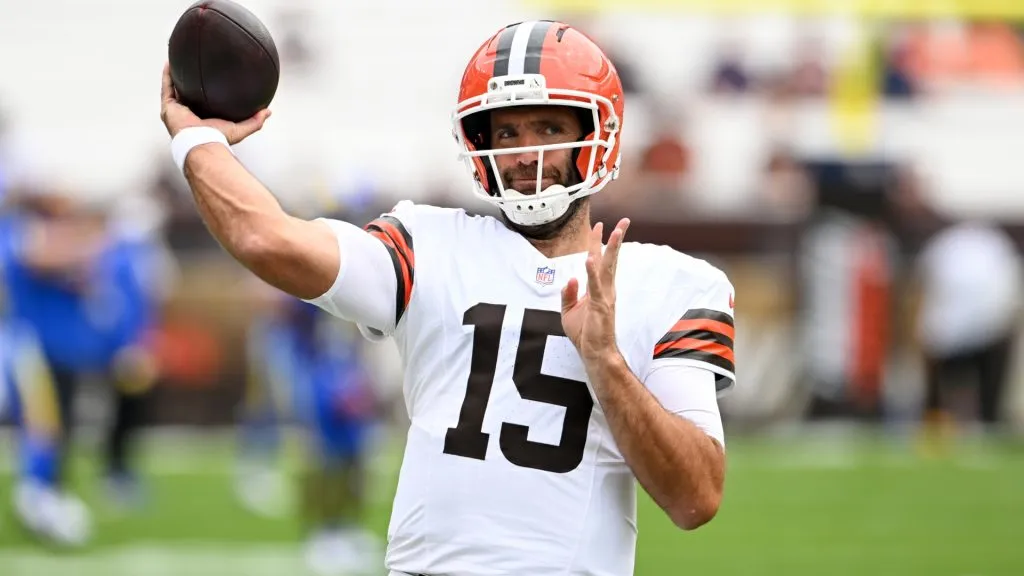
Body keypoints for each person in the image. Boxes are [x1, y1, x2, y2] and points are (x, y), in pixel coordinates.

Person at [160, 20, 734, 576]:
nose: (525, 154)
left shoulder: (673, 285)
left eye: (548, 129)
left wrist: (606, 363)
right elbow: (265, 238)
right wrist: (198, 138)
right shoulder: (428, 245)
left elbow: (695, 497)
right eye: (507, 133)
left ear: (596, 133)